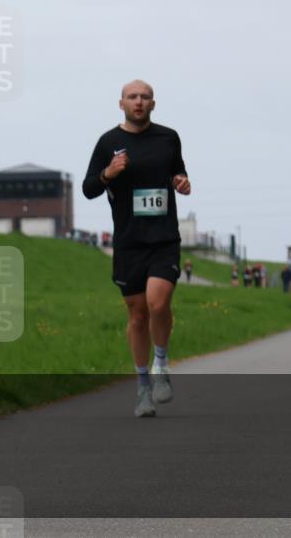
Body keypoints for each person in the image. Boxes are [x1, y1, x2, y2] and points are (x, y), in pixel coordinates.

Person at [83, 79, 191, 418]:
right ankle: (143, 384)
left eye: (145, 97)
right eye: (133, 97)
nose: (139, 102)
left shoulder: (168, 138)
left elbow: (178, 172)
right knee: (137, 314)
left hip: (163, 238)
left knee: (158, 303)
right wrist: (108, 172)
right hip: (129, 242)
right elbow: (88, 188)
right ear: (122, 104)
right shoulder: (108, 142)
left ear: (153, 104)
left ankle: (162, 366)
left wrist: (181, 181)